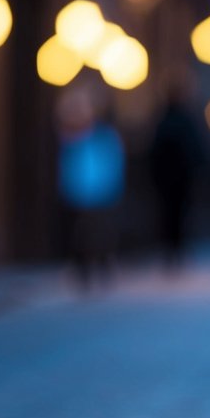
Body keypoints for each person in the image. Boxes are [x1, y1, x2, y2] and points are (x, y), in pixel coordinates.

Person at [56, 86, 124, 289]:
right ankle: (82, 268)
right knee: (79, 232)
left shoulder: (103, 136)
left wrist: (111, 185)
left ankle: (103, 264)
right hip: (77, 192)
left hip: (100, 191)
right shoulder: (70, 138)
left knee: (100, 230)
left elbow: (112, 161)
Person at [149, 85, 203, 270]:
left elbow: (153, 153)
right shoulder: (186, 120)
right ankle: (178, 250)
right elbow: (195, 150)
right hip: (182, 179)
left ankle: (170, 251)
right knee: (181, 214)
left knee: (168, 215)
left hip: (165, 181)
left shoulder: (161, 121)